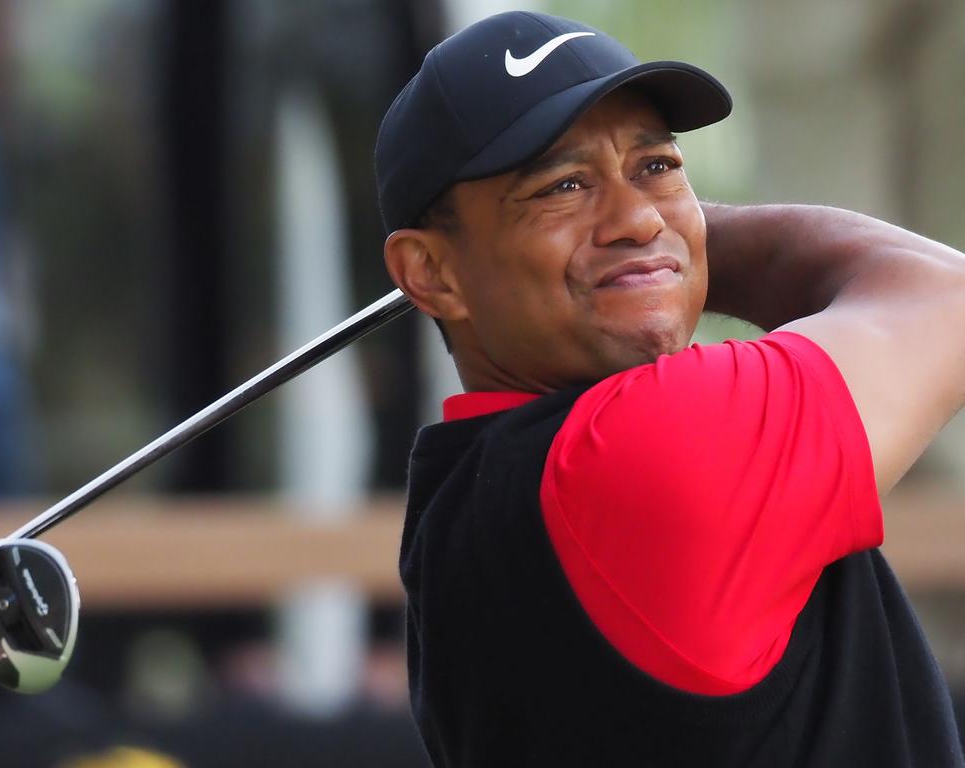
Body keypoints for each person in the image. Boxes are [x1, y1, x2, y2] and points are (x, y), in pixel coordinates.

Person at [374, 10, 965, 768]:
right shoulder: (636, 447)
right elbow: (945, 299)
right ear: (430, 272)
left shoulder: (463, 492)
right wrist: (672, 248)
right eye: (563, 186)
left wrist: (654, 251)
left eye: (656, 167)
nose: (635, 215)